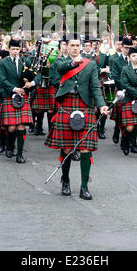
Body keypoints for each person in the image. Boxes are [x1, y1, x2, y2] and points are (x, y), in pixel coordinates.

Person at [44, 34, 109, 200]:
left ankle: (84, 186)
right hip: (66, 106)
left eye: (77, 45)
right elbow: (61, 69)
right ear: (66, 46)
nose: (75, 48)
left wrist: (101, 105)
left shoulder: (90, 64)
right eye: (71, 45)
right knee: (66, 148)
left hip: (85, 106)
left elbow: (95, 86)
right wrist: (73, 63)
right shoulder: (60, 61)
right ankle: (65, 180)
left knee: (86, 149)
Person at [0, 39, 39, 163]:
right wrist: (15, 89)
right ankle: (9, 146)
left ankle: (19, 154)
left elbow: (38, 74)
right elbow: (2, 79)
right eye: (13, 49)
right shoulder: (3, 63)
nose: (15, 52)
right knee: (12, 128)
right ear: (9, 49)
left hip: (23, 97)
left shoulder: (26, 61)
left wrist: (32, 83)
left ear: (20, 49)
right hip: (10, 95)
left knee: (21, 126)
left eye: (17, 49)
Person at [109, 37, 133, 144]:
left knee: (130, 117)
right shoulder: (116, 61)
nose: (128, 50)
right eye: (126, 48)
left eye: (130, 48)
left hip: (132, 92)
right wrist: (126, 86)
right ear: (121, 47)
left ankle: (126, 139)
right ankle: (116, 130)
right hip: (120, 91)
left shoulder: (134, 59)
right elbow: (115, 76)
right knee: (119, 116)